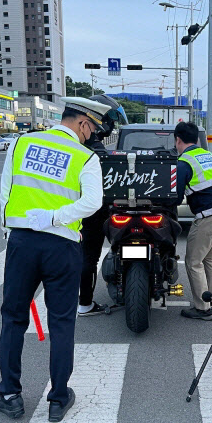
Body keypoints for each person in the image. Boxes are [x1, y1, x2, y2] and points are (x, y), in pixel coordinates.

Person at [0, 97, 108, 423]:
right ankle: (58, 399)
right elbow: (92, 203)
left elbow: (6, 192)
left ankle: (10, 395)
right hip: (63, 246)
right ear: (83, 123)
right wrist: (56, 217)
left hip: (22, 242)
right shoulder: (85, 158)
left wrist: (10, 233)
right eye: (92, 129)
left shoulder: (21, 143)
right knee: (61, 322)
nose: (91, 136)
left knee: (14, 317)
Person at [77, 94, 128, 316]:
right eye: (111, 120)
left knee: (85, 256)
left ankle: (83, 302)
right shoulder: (95, 147)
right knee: (90, 256)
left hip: (74, 208)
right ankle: (85, 303)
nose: (112, 126)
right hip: (95, 209)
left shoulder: (76, 142)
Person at [175, 121, 212, 321]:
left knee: (193, 261)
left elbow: (176, 195)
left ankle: (202, 308)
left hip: (208, 217)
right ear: (197, 140)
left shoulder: (184, 162)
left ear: (178, 140)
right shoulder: (210, 156)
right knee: (211, 257)